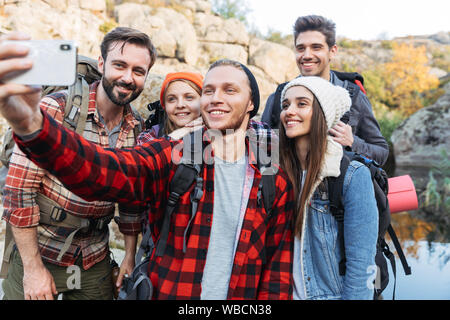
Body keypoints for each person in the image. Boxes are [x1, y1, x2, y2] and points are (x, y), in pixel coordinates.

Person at [0, 34, 294, 300]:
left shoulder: (273, 176)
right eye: (209, 90)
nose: (216, 98)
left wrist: (128, 254)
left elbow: (276, 270)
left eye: (230, 90)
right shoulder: (175, 153)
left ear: (251, 102)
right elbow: (104, 171)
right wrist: (33, 127)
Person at [0, 27, 156, 300]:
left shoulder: (136, 129)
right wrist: (33, 269)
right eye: (119, 65)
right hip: (40, 250)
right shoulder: (56, 108)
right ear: (101, 64)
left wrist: (129, 255)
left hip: (93, 257)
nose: (128, 78)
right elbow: (19, 192)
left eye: (138, 71)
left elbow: (131, 203)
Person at [278, 76, 378, 300]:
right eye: (286, 105)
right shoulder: (276, 173)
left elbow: (361, 266)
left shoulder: (351, 176)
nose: (289, 111)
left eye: (301, 104)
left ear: (323, 113)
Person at [261, 15, 389, 166]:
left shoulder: (353, 96)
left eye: (316, 47)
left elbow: (382, 153)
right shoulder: (279, 98)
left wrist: (353, 142)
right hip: (290, 188)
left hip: (341, 187)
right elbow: (263, 156)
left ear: (332, 51)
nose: (307, 55)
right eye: (301, 48)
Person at [137, 71, 203, 143]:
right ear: (164, 105)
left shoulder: (214, 135)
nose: (180, 105)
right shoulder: (148, 138)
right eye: (172, 99)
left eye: (189, 97)